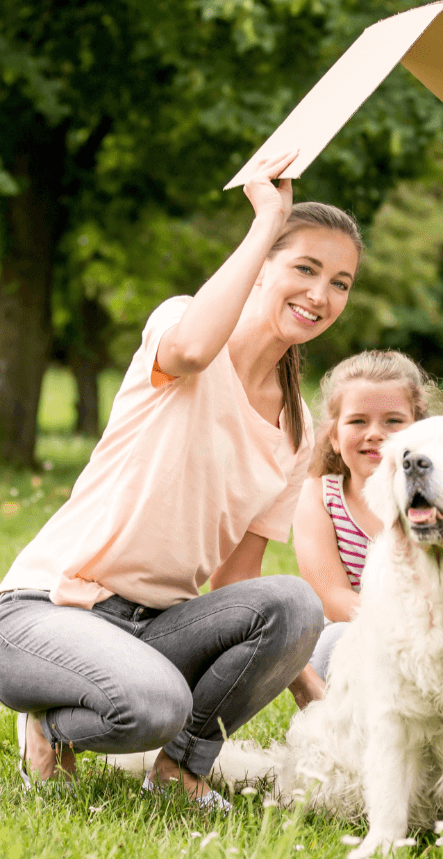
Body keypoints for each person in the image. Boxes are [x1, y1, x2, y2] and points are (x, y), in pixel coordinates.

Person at [0, 150, 362, 808]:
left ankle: (179, 772)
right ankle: (52, 728)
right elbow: (195, 348)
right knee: (153, 703)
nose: (320, 294)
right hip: (46, 610)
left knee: (294, 602)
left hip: (157, 626)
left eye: (340, 281)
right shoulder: (182, 327)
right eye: (304, 268)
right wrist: (266, 220)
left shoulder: (297, 429)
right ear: (259, 269)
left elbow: (236, 582)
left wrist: (316, 696)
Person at [292, 349, 443, 681]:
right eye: (358, 421)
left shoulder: (439, 502)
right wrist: (400, 628)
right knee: (340, 640)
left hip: (433, 641)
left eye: (393, 420)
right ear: (334, 436)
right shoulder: (320, 496)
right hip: (353, 640)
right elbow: (331, 596)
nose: (375, 433)